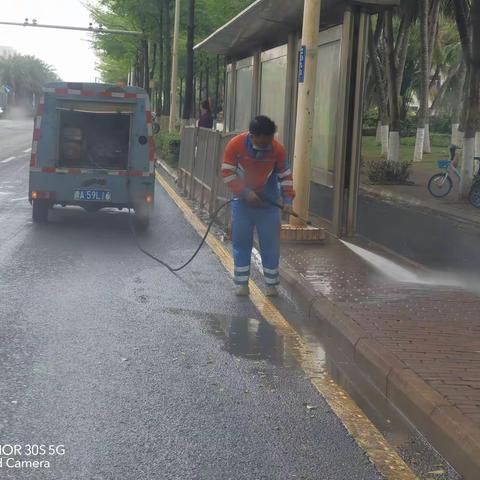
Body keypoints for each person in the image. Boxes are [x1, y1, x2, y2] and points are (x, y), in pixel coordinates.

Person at [221, 116, 295, 297]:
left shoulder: (277, 149)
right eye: (263, 142)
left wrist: (287, 202)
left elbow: (285, 177)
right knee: (241, 241)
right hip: (242, 204)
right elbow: (227, 173)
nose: (267, 145)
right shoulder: (235, 145)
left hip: (268, 205)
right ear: (252, 136)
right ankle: (241, 283)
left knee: (270, 244)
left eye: (270, 140)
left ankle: (271, 284)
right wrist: (245, 193)